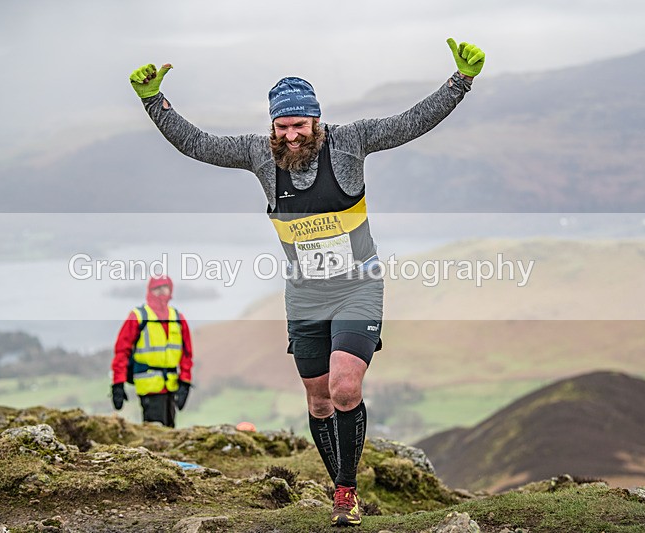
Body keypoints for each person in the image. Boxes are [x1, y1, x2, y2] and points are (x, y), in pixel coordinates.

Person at [129, 38, 484, 526]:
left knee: (342, 388)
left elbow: (410, 122)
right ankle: (338, 477)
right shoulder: (258, 153)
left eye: (300, 124)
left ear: (316, 120)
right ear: (272, 124)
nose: (292, 135)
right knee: (318, 400)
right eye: (282, 125)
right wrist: (154, 102)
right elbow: (198, 144)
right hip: (304, 294)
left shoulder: (350, 141)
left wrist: (459, 82)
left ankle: (345, 492)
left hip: (358, 284)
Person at [110, 275, 193, 427]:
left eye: (165, 287)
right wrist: (118, 384)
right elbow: (122, 351)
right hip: (149, 388)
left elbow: (187, 354)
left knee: (169, 431)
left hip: (171, 386)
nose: (161, 292)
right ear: (150, 291)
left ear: (171, 290)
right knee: (155, 435)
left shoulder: (178, 318)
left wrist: (185, 383)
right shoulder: (138, 316)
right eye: (157, 288)